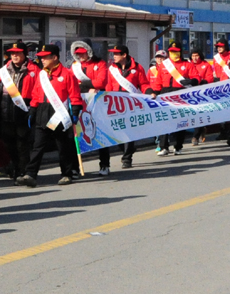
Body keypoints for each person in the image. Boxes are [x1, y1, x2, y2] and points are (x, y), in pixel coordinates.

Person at [17, 44, 82, 187]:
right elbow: (36, 94)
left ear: (55, 57)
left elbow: (75, 96)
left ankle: (67, 174)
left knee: (62, 146)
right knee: (37, 146)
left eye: (45, 57)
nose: (42, 60)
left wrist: (75, 114)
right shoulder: (42, 75)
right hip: (43, 112)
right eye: (40, 57)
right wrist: (32, 111)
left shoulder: (67, 74)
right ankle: (30, 174)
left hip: (59, 114)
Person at [0, 41, 38, 181]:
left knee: (22, 145)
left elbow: (38, 91)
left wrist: (33, 110)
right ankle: (13, 168)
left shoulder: (34, 71)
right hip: (5, 114)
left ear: (25, 54)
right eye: (12, 53)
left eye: (18, 53)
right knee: (8, 144)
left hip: (23, 113)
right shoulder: (3, 71)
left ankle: (22, 171)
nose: (15, 56)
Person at [69, 42, 116, 173]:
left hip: (96, 103)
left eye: (83, 52)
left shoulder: (100, 63)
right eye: (78, 53)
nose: (81, 55)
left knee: (100, 133)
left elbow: (101, 82)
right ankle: (74, 167)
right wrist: (88, 86)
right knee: (76, 134)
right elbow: (71, 82)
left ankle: (104, 165)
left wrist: (83, 85)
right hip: (78, 102)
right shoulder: (74, 66)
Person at [102, 45, 148, 165]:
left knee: (129, 130)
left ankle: (127, 158)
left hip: (130, 103)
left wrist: (149, 92)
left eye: (117, 54)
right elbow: (108, 86)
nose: (114, 56)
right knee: (116, 130)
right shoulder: (111, 69)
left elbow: (143, 84)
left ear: (124, 55)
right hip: (114, 103)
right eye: (113, 54)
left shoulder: (137, 68)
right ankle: (128, 149)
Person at [150, 41, 192, 154]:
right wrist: (155, 92)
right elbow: (158, 80)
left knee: (180, 120)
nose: (174, 54)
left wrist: (193, 80)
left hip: (181, 93)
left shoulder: (187, 64)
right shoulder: (164, 65)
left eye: (176, 52)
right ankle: (164, 147)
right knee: (165, 120)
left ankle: (178, 146)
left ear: (180, 52)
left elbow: (195, 76)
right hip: (165, 93)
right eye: (172, 52)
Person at [187, 49, 215, 143]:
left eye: (196, 55)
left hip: (202, 93)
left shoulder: (205, 65)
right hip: (189, 93)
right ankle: (200, 130)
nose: (195, 58)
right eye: (193, 56)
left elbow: (210, 77)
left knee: (199, 113)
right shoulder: (188, 64)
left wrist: (204, 81)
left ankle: (196, 136)